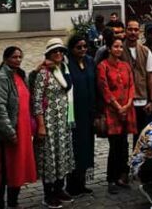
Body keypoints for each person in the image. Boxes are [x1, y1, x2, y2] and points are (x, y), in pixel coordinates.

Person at [0, 46, 37, 209]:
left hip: (23, 129)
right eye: (14, 57)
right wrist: (9, 131)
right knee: (5, 170)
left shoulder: (20, 74)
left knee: (18, 168)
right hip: (10, 131)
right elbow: (0, 107)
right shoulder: (2, 78)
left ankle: (13, 201)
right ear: (5, 59)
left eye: (19, 57)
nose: (17, 60)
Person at [32, 38, 75, 209]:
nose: (58, 54)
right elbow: (36, 101)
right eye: (55, 51)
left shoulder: (64, 69)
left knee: (62, 155)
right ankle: (48, 193)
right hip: (49, 122)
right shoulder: (44, 73)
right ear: (48, 54)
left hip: (63, 121)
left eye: (61, 51)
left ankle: (59, 188)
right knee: (49, 157)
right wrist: (41, 125)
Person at [97, 38, 137, 194]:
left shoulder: (125, 65)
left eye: (121, 47)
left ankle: (122, 175)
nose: (119, 49)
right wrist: (117, 106)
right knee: (114, 146)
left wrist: (127, 104)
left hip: (127, 109)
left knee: (124, 144)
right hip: (112, 111)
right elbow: (104, 88)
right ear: (109, 48)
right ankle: (111, 179)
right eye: (116, 46)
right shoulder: (103, 66)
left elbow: (132, 86)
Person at [66, 34, 96, 196]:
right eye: (79, 47)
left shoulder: (90, 61)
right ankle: (72, 184)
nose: (83, 50)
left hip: (89, 111)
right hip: (74, 113)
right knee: (75, 148)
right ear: (72, 49)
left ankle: (82, 182)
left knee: (87, 147)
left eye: (84, 47)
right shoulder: (67, 64)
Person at [123, 19, 152, 140]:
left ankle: (138, 159)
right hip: (124, 101)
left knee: (140, 137)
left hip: (142, 101)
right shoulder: (119, 50)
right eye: (130, 29)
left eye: (136, 30)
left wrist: (151, 100)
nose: (133, 32)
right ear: (125, 31)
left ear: (139, 32)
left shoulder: (145, 51)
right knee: (122, 138)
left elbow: (150, 76)